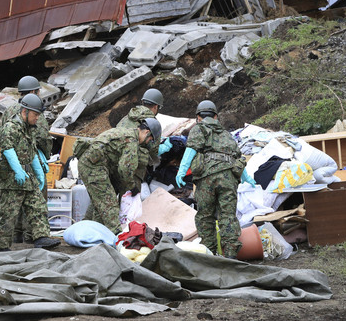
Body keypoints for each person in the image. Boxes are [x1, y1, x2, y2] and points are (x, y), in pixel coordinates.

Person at [175, 100, 256, 258]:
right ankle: (231, 255)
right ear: (216, 117)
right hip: (228, 178)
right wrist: (248, 179)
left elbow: (191, 150)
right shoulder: (227, 135)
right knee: (228, 216)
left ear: (198, 117)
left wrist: (181, 171)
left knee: (205, 216)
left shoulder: (199, 129)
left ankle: (209, 255)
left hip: (207, 179)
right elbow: (237, 159)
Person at [0, 94, 59, 251]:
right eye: (35, 115)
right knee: (8, 213)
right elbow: (8, 149)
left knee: (38, 206)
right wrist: (18, 171)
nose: (37, 118)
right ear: (25, 111)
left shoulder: (29, 129)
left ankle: (41, 237)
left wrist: (39, 171)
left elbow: (31, 151)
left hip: (28, 177)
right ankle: (2, 246)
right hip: (13, 179)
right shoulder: (11, 127)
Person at [77, 118, 160, 234]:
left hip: (91, 164)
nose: (148, 142)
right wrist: (132, 187)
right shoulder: (131, 141)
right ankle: (117, 238)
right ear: (146, 132)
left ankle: (91, 234)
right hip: (93, 167)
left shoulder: (126, 132)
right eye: (150, 139)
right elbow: (125, 169)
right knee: (109, 204)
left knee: (99, 205)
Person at [117, 88, 165, 160]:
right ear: (156, 106)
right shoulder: (153, 123)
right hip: (128, 157)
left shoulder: (128, 116)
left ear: (142, 102)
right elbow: (153, 151)